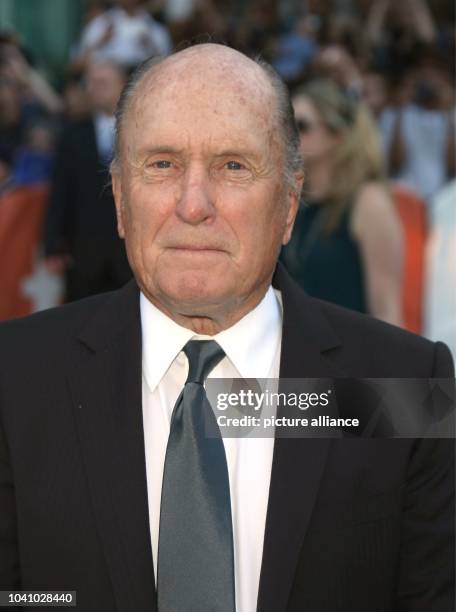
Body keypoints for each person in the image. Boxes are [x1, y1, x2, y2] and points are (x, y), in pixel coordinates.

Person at [0, 44, 453, 612]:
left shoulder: (408, 388)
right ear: (119, 199)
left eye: (233, 166)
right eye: (161, 164)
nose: (194, 205)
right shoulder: (16, 379)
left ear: (289, 204)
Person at [281, 79, 403, 325]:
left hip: (352, 356)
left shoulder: (368, 202)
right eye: (285, 126)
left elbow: (387, 309)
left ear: (336, 135)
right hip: (296, 353)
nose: (290, 135)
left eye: (301, 126)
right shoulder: (293, 201)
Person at [43, 60, 132, 301]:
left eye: (103, 82)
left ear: (123, 86)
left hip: (130, 251)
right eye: (91, 83)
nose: (94, 88)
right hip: (83, 252)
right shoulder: (72, 134)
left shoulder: (142, 132)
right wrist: (52, 244)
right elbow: (61, 191)